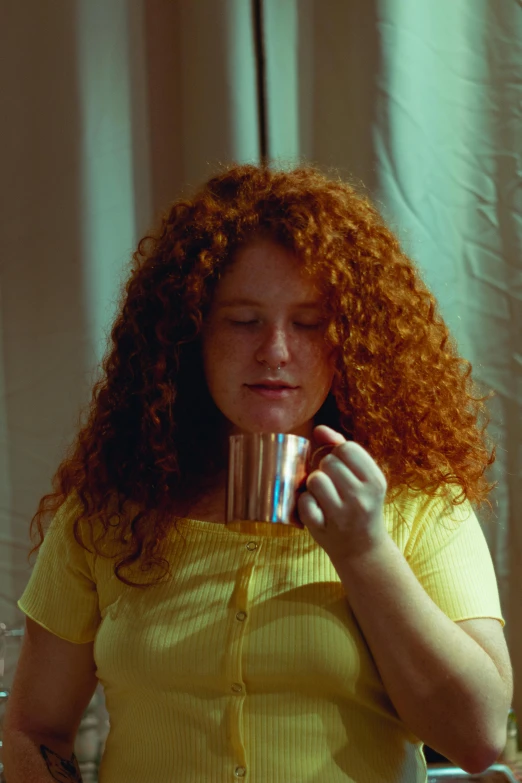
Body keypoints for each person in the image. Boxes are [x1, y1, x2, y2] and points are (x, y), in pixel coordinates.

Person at [3, 163, 512, 783]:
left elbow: (479, 738)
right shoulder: (110, 512)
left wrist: (366, 551)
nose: (275, 349)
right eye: (243, 321)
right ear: (187, 334)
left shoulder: (418, 503)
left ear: (348, 339)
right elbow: (34, 729)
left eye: (309, 322)